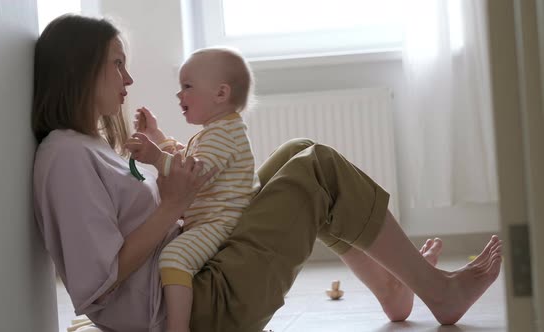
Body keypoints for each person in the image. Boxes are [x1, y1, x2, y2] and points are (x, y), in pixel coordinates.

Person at [32, 14, 502, 332]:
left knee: (299, 152)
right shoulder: (65, 158)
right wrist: (173, 205)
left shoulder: (89, 146)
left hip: (196, 268)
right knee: (314, 169)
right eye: (118, 65)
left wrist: (167, 172)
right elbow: (96, 282)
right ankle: (437, 292)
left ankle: (389, 286)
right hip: (192, 301)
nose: (129, 80)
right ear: (81, 70)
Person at [123, 47, 260, 332]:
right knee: (172, 252)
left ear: (221, 94)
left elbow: (195, 175)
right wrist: (157, 138)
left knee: (173, 257)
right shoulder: (217, 131)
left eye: (187, 87)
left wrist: (155, 157)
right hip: (208, 220)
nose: (179, 95)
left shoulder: (223, 133)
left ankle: (177, 327)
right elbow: (190, 160)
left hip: (221, 222)